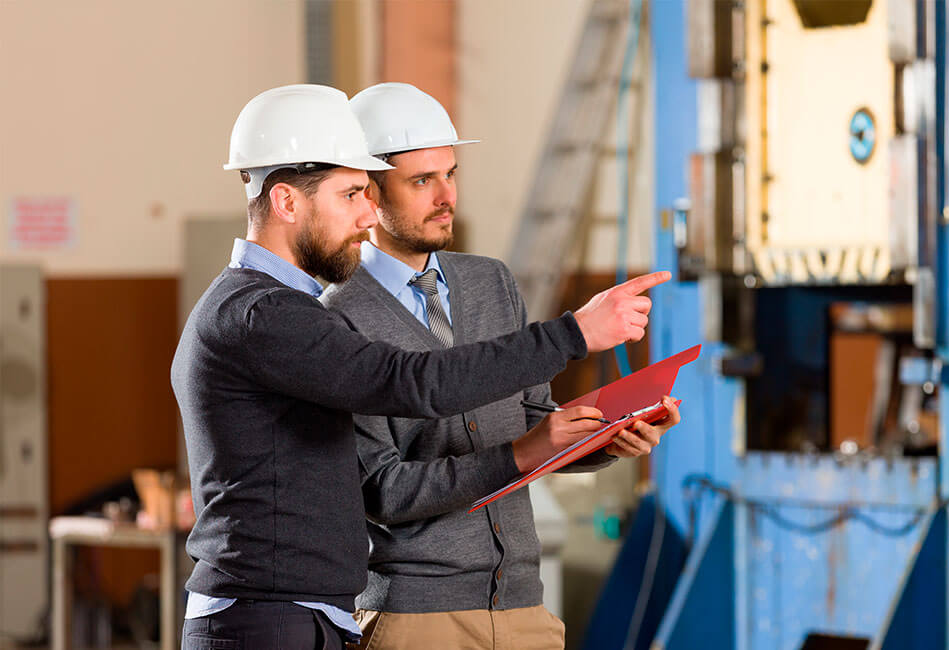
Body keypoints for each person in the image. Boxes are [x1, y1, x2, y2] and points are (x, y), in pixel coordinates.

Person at [172, 84, 669, 650]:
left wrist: (596, 436)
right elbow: (410, 386)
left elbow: (520, 413)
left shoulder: (272, 307)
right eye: (352, 193)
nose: (365, 214)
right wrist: (574, 333)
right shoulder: (268, 314)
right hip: (273, 616)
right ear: (287, 202)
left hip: (302, 612)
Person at [320, 82, 681, 650]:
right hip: (417, 619)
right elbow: (382, 492)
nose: (447, 196)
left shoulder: (490, 282)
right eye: (422, 181)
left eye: (451, 173)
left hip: (523, 610)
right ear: (368, 193)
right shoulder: (338, 320)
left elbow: (533, 421)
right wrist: (524, 452)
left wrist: (609, 439)